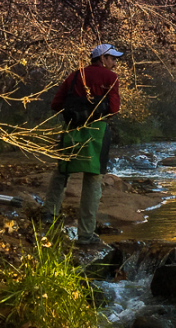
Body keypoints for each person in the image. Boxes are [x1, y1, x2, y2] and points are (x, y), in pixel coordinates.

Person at [42, 43, 123, 245]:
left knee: (61, 173)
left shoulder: (75, 75)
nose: (115, 62)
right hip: (97, 132)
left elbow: (55, 104)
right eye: (112, 58)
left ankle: (48, 217)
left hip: (71, 131)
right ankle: (85, 235)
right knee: (93, 180)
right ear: (102, 58)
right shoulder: (111, 78)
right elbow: (114, 108)